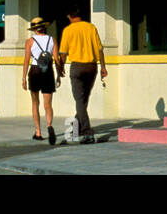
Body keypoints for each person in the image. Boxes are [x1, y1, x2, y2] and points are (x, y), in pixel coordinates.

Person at [56, 8, 106, 144]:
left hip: (77, 66)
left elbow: (63, 53)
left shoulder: (68, 30)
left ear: (70, 16)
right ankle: (76, 127)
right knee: (83, 99)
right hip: (91, 66)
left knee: (79, 99)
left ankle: (86, 131)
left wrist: (59, 70)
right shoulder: (91, 27)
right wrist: (103, 67)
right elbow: (100, 49)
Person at [22, 16, 57, 144]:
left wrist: (24, 77)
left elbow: (26, 60)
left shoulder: (30, 41)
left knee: (35, 103)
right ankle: (49, 125)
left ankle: (38, 132)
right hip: (48, 70)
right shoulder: (52, 39)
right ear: (44, 27)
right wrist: (59, 74)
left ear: (34, 29)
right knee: (48, 104)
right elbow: (56, 58)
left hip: (35, 70)